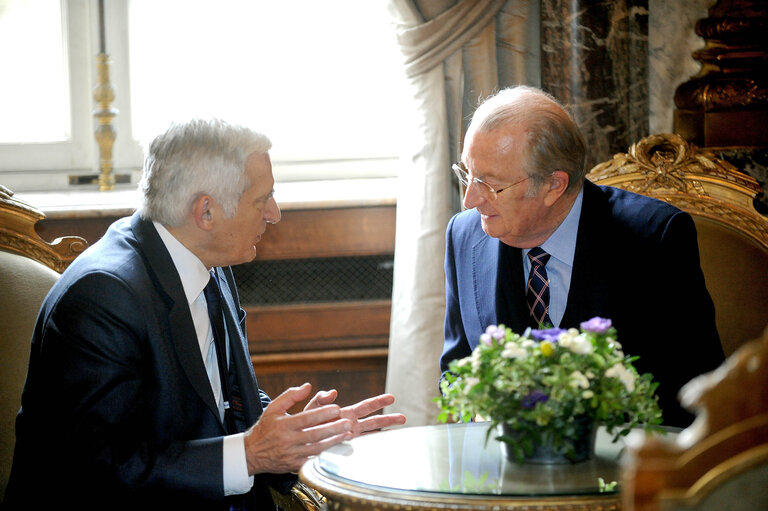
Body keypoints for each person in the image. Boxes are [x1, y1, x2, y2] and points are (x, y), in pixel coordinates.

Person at [3, 119, 406, 510]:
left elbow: (226, 396)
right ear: (206, 212)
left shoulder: (210, 259)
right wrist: (250, 455)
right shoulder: (102, 297)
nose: (275, 213)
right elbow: (100, 472)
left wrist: (293, 433)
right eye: (261, 199)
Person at [441, 85, 724, 428]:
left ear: (553, 186)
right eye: (468, 175)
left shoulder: (654, 239)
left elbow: (694, 388)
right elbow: (456, 370)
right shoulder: (464, 235)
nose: (470, 199)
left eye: (489, 184)